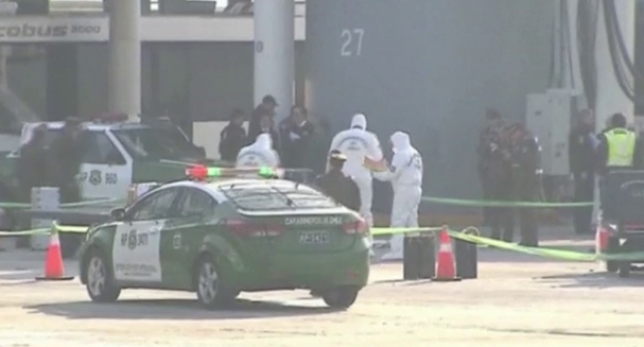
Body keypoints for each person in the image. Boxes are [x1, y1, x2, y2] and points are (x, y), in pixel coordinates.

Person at [373, 131, 423, 260]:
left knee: (398, 221)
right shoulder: (415, 153)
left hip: (404, 190)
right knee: (412, 221)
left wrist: (375, 173)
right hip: (415, 189)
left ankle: (398, 251)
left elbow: (391, 174)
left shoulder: (401, 154)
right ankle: (415, 249)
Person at [328, 113, 383, 226]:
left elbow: (331, 157)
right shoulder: (370, 138)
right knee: (365, 209)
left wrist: (329, 175)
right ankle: (367, 236)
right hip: (363, 177)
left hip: (343, 177)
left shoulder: (340, 136)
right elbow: (378, 158)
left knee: (342, 207)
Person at [506, 123, 542, 247]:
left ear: (520, 132)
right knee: (523, 212)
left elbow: (528, 161)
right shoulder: (520, 144)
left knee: (530, 212)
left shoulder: (530, 144)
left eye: (515, 133)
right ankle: (525, 238)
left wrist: (514, 160)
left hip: (529, 183)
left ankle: (532, 239)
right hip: (521, 183)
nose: (513, 136)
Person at [568, 109, 597, 235]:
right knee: (582, 197)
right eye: (590, 117)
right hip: (583, 171)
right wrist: (582, 170)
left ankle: (585, 224)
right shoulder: (579, 133)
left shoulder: (588, 132)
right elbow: (579, 154)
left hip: (588, 170)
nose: (592, 120)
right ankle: (581, 225)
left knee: (587, 197)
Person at [477, 109, 505, 226]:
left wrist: (497, 147)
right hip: (487, 168)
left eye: (492, 119)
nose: (490, 122)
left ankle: (499, 219)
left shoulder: (503, 133)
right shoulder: (485, 133)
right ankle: (488, 218)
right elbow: (480, 148)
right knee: (488, 194)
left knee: (499, 195)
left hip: (500, 168)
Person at [50, 118, 85, 203]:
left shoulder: (72, 140)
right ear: (70, 127)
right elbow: (56, 162)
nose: (77, 131)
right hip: (63, 180)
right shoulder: (61, 141)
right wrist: (65, 181)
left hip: (70, 178)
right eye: (76, 128)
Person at [17, 124, 50, 202]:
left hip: (25, 182)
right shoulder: (42, 151)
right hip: (37, 182)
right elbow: (46, 168)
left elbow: (19, 166)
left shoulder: (24, 149)